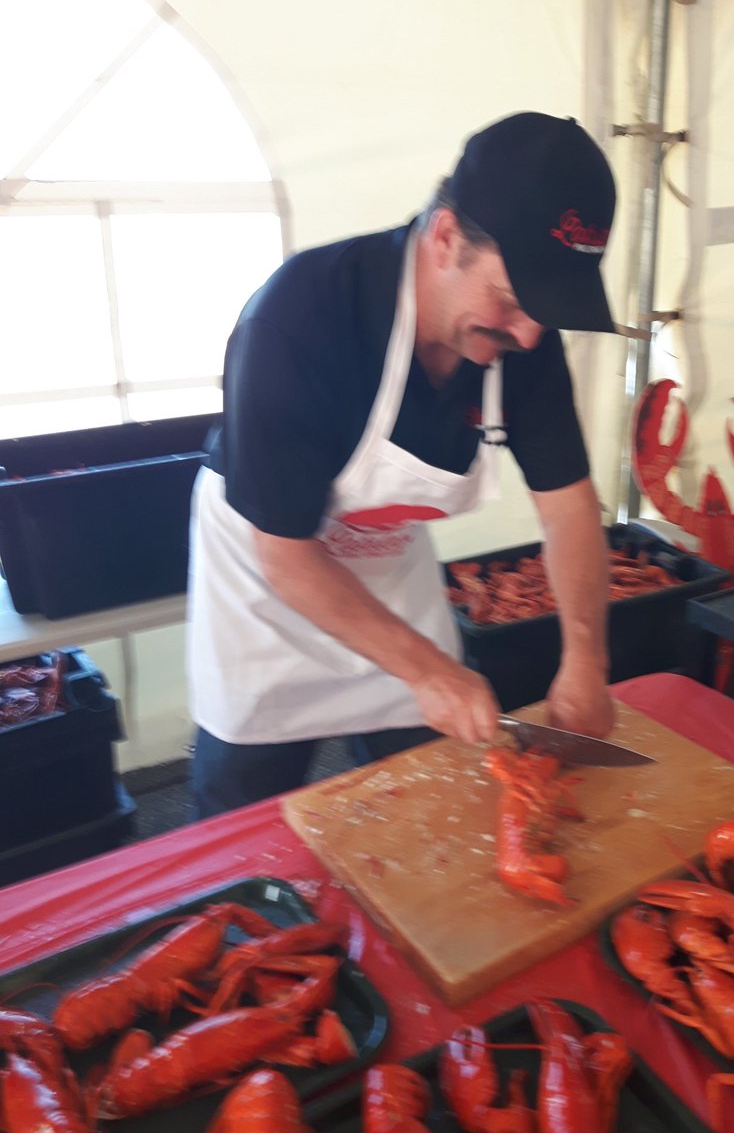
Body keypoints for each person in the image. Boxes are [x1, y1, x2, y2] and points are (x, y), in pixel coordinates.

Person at [187, 110, 618, 820]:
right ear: (445, 237)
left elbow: (568, 504)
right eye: (512, 300)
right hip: (267, 584)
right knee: (244, 817)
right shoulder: (300, 318)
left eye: (547, 308)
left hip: (387, 570)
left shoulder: (525, 342)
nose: (531, 332)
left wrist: (586, 660)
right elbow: (288, 557)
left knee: (434, 801)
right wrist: (428, 670)